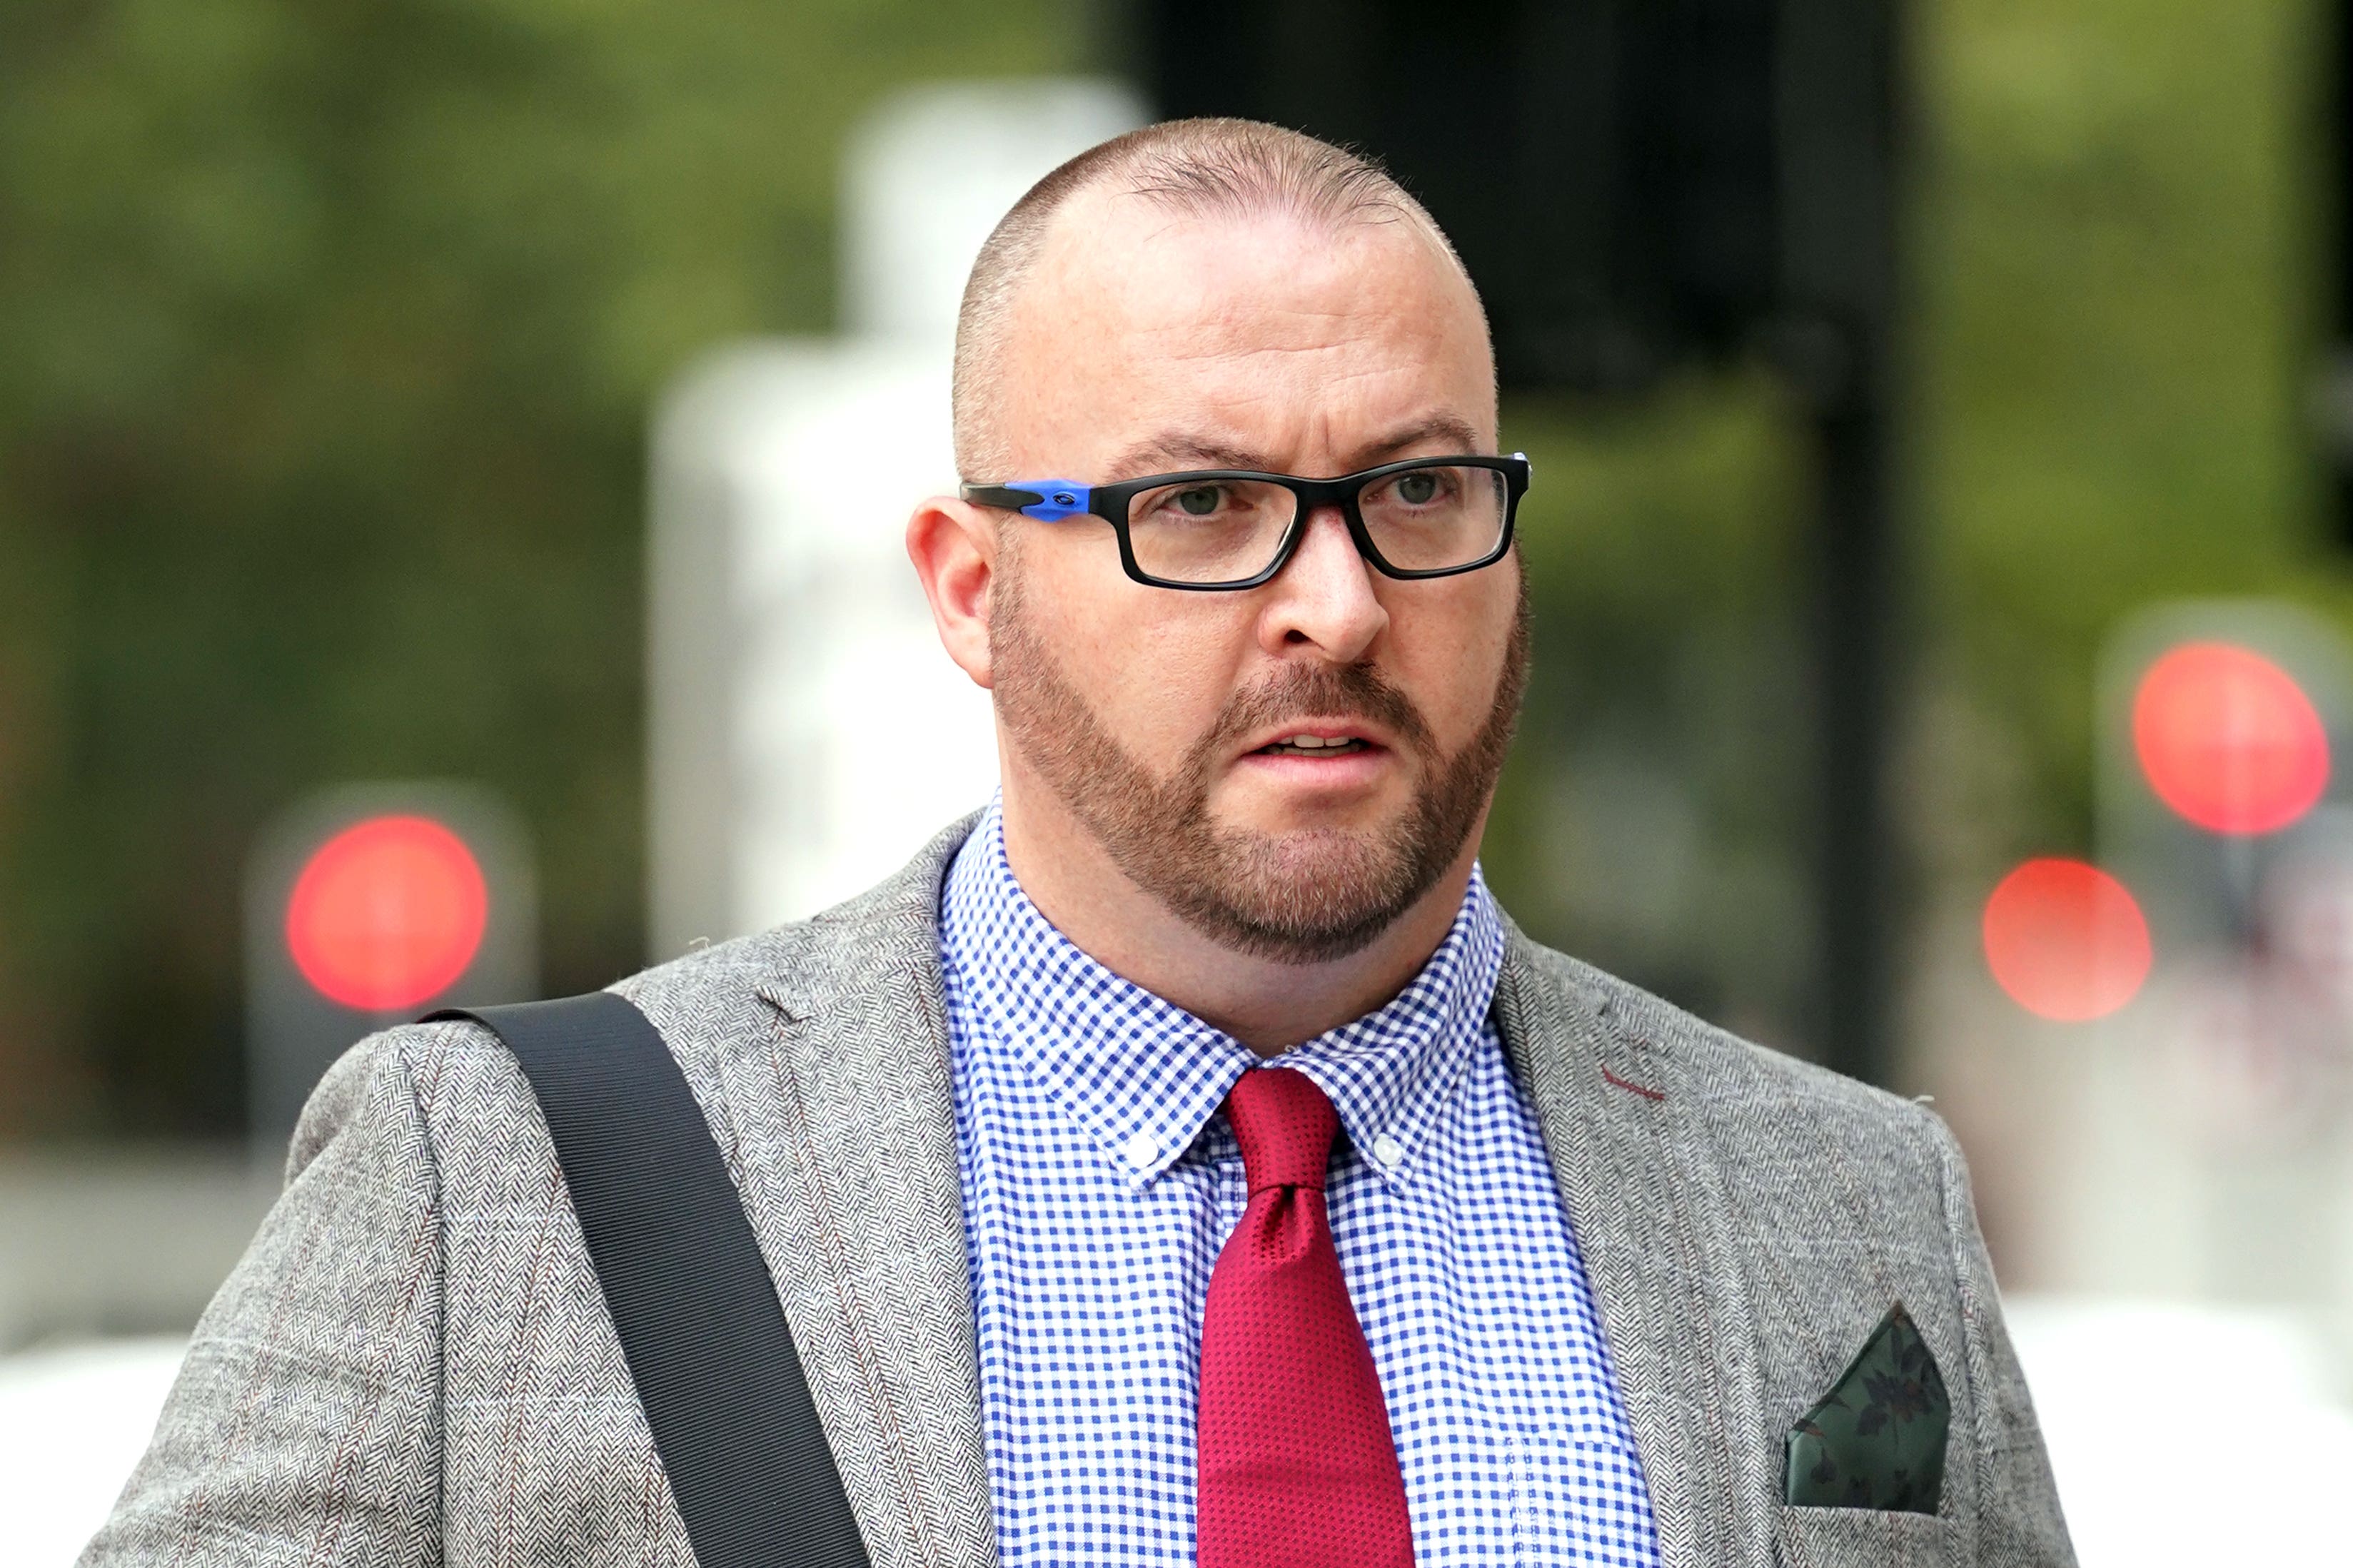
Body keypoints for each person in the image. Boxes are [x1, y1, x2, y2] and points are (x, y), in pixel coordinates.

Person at [86, 118, 2072, 1568]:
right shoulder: (495, 1184)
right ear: (967, 589)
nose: (1340, 604)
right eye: (1200, 504)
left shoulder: (1843, 1198)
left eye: (1420, 487)